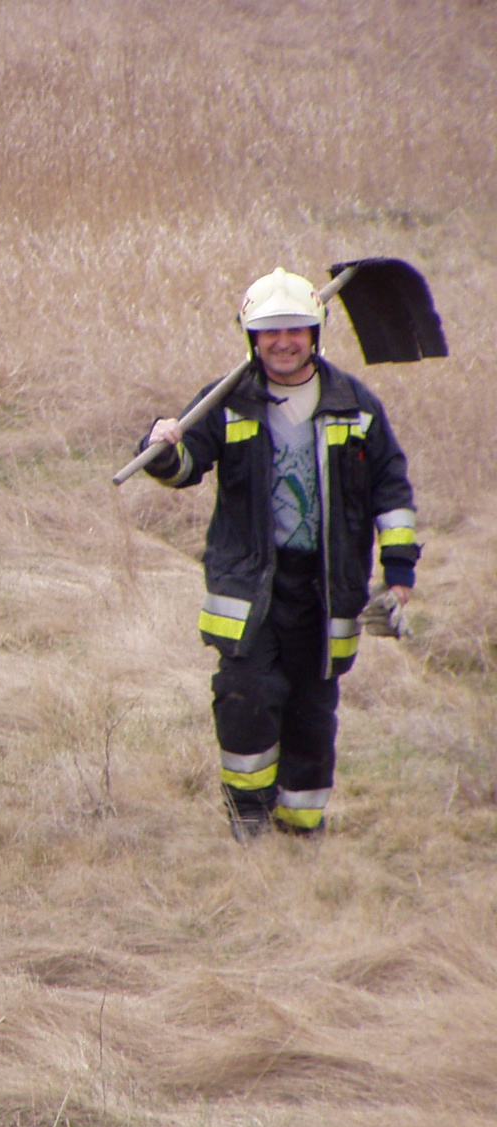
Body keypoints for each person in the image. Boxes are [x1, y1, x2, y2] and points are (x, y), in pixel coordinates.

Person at [141, 267, 420, 841]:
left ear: (315, 333)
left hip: (326, 588)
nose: (284, 342)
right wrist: (160, 446)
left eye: (296, 329)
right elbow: (184, 466)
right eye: (270, 332)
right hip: (250, 587)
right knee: (246, 696)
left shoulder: (356, 405)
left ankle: (300, 830)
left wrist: (397, 574)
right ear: (251, 337)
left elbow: (391, 489)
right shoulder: (226, 402)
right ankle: (248, 819)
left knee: (312, 716)